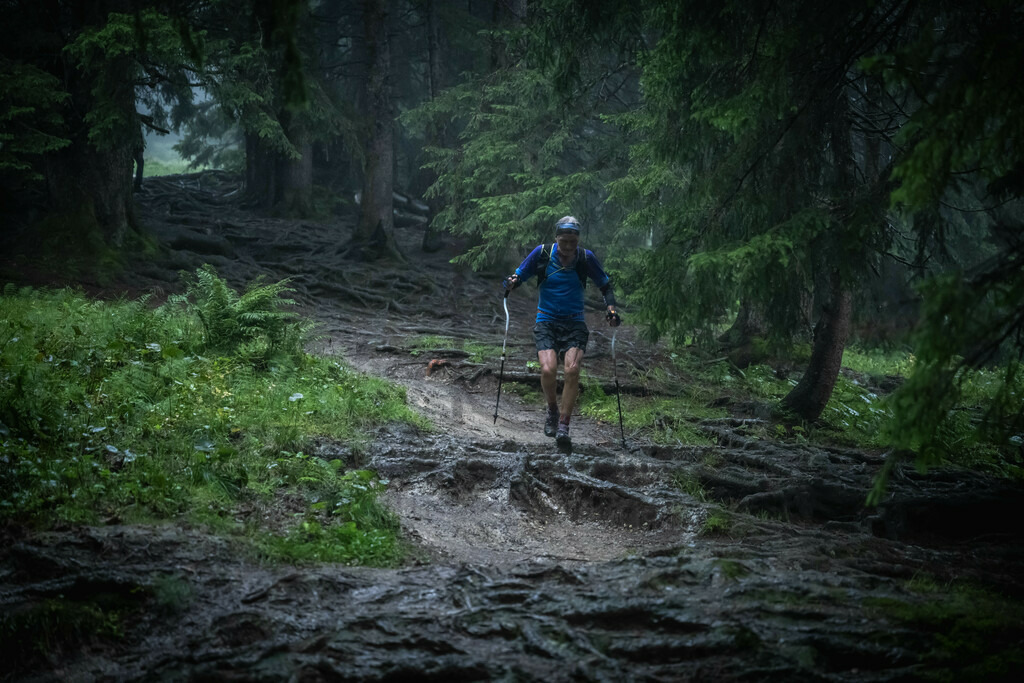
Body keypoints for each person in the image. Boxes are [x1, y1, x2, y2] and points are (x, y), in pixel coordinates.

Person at [503, 216, 621, 448]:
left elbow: (605, 285)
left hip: (575, 322)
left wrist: (611, 309)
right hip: (546, 320)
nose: (568, 247)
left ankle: (564, 426)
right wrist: (511, 282)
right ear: (556, 238)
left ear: (578, 241)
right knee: (548, 369)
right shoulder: (542, 253)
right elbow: (518, 276)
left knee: (573, 369)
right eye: (564, 241)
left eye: (573, 242)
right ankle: (552, 411)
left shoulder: (586, 258)